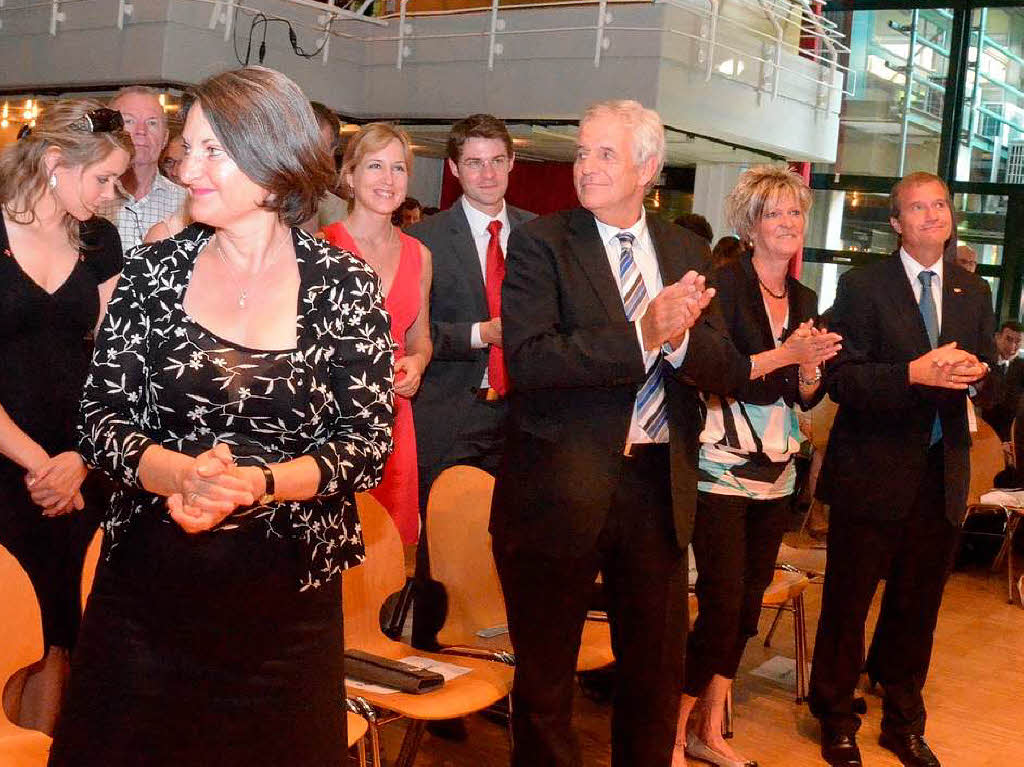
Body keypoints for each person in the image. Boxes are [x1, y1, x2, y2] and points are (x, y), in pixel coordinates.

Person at [49, 67, 393, 767]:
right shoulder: (153, 271)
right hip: (144, 601)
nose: (188, 170)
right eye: (190, 149)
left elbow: (366, 443)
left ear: (272, 165)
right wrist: (182, 473)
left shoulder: (345, 284)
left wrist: (255, 484)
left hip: (286, 611)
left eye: (213, 152)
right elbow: (100, 418)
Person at [491, 99, 753, 767]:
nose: (586, 166)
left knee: (655, 674)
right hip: (558, 488)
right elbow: (531, 360)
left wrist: (679, 341)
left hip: (657, 488)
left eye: (605, 153)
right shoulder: (542, 242)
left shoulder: (687, 250)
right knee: (547, 680)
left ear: (648, 167)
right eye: (581, 152)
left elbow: (727, 366)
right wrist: (644, 332)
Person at [809, 171, 995, 767]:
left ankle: (903, 722)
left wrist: (978, 375)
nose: (932, 215)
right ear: (895, 223)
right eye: (917, 207)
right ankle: (835, 716)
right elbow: (841, 378)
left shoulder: (973, 290)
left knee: (917, 608)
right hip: (872, 471)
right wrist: (913, 374)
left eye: (939, 204)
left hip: (942, 471)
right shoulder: (863, 287)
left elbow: (987, 366)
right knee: (848, 602)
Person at [672, 166, 841, 767]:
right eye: (776, 213)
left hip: (778, 470)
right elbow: (718, 369)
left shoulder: (806, 298)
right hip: (720, 465)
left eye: (796, 213)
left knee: (745, 608)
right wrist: (788, 355)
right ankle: (671, 734)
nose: (789, 224)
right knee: (719, 603)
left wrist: (812, 367)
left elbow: (803, 397)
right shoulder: (722, 285)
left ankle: (710, 730)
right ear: (750, 224)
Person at [0, 100, 131, 735]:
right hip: (8, 469)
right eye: (102, 179)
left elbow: (113, 361)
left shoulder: (99, 239)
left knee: (62, 633)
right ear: (55, 163)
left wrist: (79, 459)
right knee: (7, 632)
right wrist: (39, 465)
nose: (111, 195)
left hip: (77, 469)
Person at [407, 113, 534, 650]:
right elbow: (414, 330)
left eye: (497, 161)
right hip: (450, 411)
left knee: (509, 543)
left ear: (512, 164)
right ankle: (433, 656)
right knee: (440, 546)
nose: (487, 173)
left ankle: (493, 650)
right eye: (474, 163)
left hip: (522, 417)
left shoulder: (539, 234)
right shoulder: (422, 239)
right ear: (456, 169)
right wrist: (482, 333)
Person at [322, 123, 432, 544]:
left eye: (398, 168)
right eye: (375, 166)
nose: (388, 179)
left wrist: (418, 361)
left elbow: (420, 336)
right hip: (332, 423)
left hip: (395, 423)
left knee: (385, 554)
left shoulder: (419, 255)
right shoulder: (322, 246)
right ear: (349, 177)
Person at [98, 86, 186, 252]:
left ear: (165, 138)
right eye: (129, 121)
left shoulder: (186, 204)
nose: (141, 131)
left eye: (152, 123)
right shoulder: (88, 200)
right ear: (109, 133)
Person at [300, 101, 347, 234]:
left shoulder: (338, 212)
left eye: (317, 151)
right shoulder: (259, 203)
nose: (307, 160)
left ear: (331, 152)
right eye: (301, 148)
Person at [979, 320, 1024, 453]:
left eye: (1018, 342)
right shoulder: (982, 362)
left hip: (1008, 442)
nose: (1012, 347)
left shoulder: (1021, 367)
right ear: (997, 337)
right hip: (981, 436)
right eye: (1008, 339)